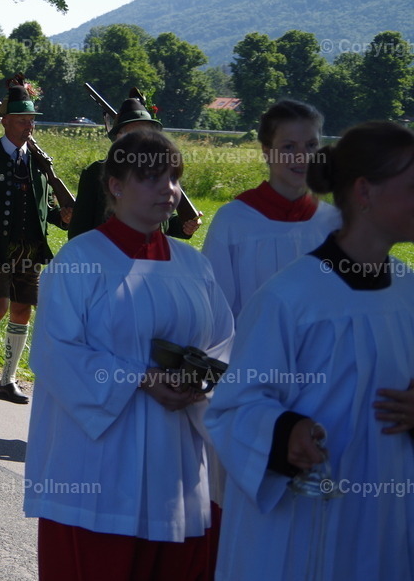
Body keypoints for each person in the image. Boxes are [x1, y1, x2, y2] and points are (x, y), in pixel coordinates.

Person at [205, 121, 414, 581]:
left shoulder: (409, 292)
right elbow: (232, 407)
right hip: (305, 529)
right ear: (366, 191)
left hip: (388, 528)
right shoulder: (291, 298)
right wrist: (283, 434)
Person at [24, 130, 233, 581]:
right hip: (97, 467)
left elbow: (222, 345)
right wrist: (139, 378)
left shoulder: (193, 265)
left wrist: (198, 382)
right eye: (151, 177)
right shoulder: (79, 261)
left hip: (176, 460)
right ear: (115, 185)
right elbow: (55, 352)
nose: (168, 190)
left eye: (173, 178)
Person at [0, 79, 71, 404]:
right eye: (22, 120)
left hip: (31, 248)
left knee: (22, 311)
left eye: (32, 120)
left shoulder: (38, 163)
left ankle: (7, 380)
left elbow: (43, 207)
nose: (29, 126)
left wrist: (59, 216)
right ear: (4, 120)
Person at [202, 100, 341, 317]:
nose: (302, 156)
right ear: (267, 151)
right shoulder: (233, 220)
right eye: (289, 146)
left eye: (311, 145)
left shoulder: (333, 222)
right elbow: (215, 309)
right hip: (252, 348)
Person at [68, 96, 201, 240]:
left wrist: (184, 226)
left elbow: (164, 223)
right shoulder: (96, 172)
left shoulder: (160, 171)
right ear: (118, 138)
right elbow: (79, 229)